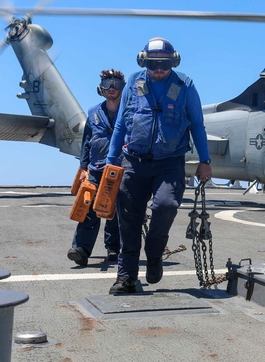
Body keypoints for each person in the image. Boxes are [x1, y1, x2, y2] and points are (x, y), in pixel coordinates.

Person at [105, 38, 211, 294]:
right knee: (128, 221)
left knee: (166, 205)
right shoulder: (133, 82)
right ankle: (126, 276)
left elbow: (196, 123)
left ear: (173, 62)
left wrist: (205, 161)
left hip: (170, 162)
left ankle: (154, 252)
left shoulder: (184, 85)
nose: (159, 69)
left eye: (164, 64)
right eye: (153, 64)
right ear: (144, 62)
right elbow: (120, 124)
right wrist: (110, 161)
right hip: (133, 161)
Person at [67, 69, 125, 268]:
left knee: (114, 210)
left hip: (120, 169)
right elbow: (86, 143)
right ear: (101, 87)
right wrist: (83, 167)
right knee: (87, 206)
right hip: (96, 167)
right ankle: (81, 250)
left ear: (122, 88)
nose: (111, 88)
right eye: (108, 83)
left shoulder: (128, 112)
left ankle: (113, 249)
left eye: (116, 84)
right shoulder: (93, 113)